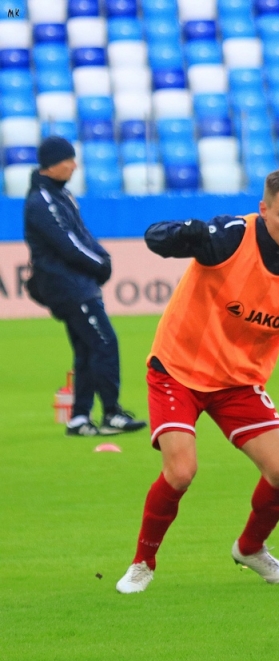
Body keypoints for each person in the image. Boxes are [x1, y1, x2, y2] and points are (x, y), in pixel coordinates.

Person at [114, 168, 279, 594]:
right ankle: (142, 563)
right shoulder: (231, 237)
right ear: (264, 209)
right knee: (181, 472)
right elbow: (157, 239)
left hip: (238, 383)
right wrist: (182, 234)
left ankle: (250, 548)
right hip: (178, 370)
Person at [23, 136, 146, 437]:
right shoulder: (43, 201)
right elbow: (68, 244)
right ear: (52, 164)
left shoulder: (60, 195)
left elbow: (82, 235)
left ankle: (79, 418)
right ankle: (111, 413)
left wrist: (101, 259)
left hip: (76, 283)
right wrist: (100, 265)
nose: (74, 166)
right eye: (68, 160)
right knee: (105, 343)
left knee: (87, 349)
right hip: (68, 286)